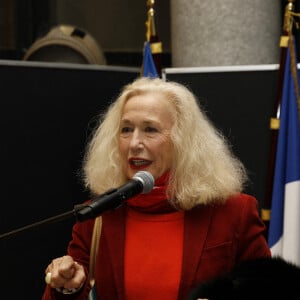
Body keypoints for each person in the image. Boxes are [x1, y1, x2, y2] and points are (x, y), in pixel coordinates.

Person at [42, 76, 271, 300]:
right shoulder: (96, 216)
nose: (134, 143)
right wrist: (67, 287)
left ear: (183, 140)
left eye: (150, 129)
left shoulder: (234, 212)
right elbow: (66, 290)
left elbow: (271, 291)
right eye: (126, 129)